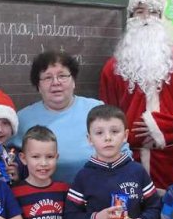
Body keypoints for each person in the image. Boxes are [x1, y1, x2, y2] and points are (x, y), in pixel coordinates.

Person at [99, 0, 173, 191]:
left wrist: (161, 126)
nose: (146, 18)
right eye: (140, 11)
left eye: (153, 12)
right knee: (132, 210)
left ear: (160, 18)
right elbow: (106, 115)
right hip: (128, 161)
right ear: (131, 18)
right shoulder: (113, 68)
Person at [12, 50, 106, 184]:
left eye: (62, 76)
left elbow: (121, 149)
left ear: (73, 81)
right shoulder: (22, 119)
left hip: (96, 189)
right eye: (47, 78)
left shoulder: (96, 109)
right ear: (38, 86)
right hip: (44, 194)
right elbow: (6, 154)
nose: (55, 82)